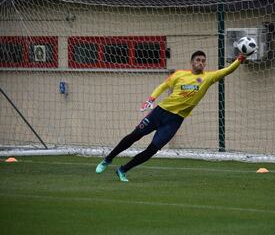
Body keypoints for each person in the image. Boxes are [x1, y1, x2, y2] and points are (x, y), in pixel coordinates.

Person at [95, 50, 247, 182]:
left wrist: (239, 59)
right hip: (160, 112)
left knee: (152, 149)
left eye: (203, 61)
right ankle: (108, 159)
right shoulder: (180, 74)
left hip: (174, 121)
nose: (201, 63)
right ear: (192, 62)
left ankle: (123, 170)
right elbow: (163, 86)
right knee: (135, 135)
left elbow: (227, 71)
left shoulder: (208, 77)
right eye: (198, 60)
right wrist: (151, 99)